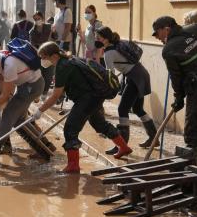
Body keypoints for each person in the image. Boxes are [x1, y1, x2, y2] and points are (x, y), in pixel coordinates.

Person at [32, 42, 132, 173]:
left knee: (70, 129)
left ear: (54, 55)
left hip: (88, 99)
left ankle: (73, 165)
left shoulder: (62, 66)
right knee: (99, 124)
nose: (43, 60)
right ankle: (124, 147)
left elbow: (56, 94)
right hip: (94, 96)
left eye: (44, 57)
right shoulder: (70, 59)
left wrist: (40, 110)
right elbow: (65, 88)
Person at [152, 16, 197, 168]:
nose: (157, 37)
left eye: (157, 33)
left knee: (192, 131)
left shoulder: (169, 49)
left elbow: (176, 78)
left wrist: (178, 97)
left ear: (166, 29)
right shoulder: (194, 29)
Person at [0, 45, 45, 164]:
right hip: (24, 85)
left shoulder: (9, 65)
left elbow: (5, 95)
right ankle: (44, 144)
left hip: (33, 86)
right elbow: (1, 82)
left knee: (7, 114)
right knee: (18, 120)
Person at [95, 26, 157, 152]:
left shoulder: (108, 53)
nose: (97, 39)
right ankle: (154, 138)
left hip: (134, 77)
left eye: (99, 37)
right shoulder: (117, 44)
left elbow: (110, 74)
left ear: (106, 39)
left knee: (122, 109)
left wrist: (103, 89)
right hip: (141, 73)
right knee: (138, 109)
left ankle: (122, 145)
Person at [29, 11, 55, 100]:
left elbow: (55, 37)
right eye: (35, 19)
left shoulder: (49, 27)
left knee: (49, 74)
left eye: (38, 18)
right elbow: (32, 45)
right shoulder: (32, 31)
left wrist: (54, 32)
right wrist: (40, 52)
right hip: (39, 55)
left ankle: (45, 92)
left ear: (42, 18)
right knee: (40, 75)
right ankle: (39, 92)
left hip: (50, 54)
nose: (37, 21)